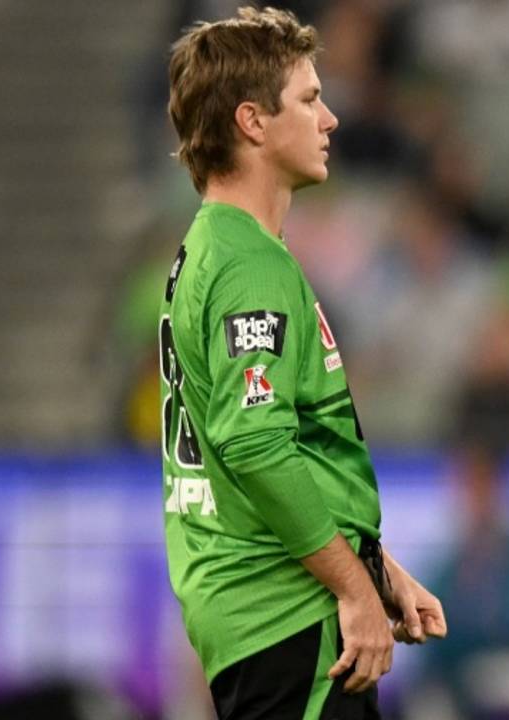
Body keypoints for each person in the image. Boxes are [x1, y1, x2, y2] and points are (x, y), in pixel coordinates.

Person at [160, 8, 446, 719]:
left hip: (266, 609)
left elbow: (279, 445)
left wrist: (375, 567)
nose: (332, 119)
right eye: (311, 99)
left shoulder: (214, 249)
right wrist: (351, 588)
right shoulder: (246, 266)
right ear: (253, 122)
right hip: (290, 615)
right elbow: (255, 444)